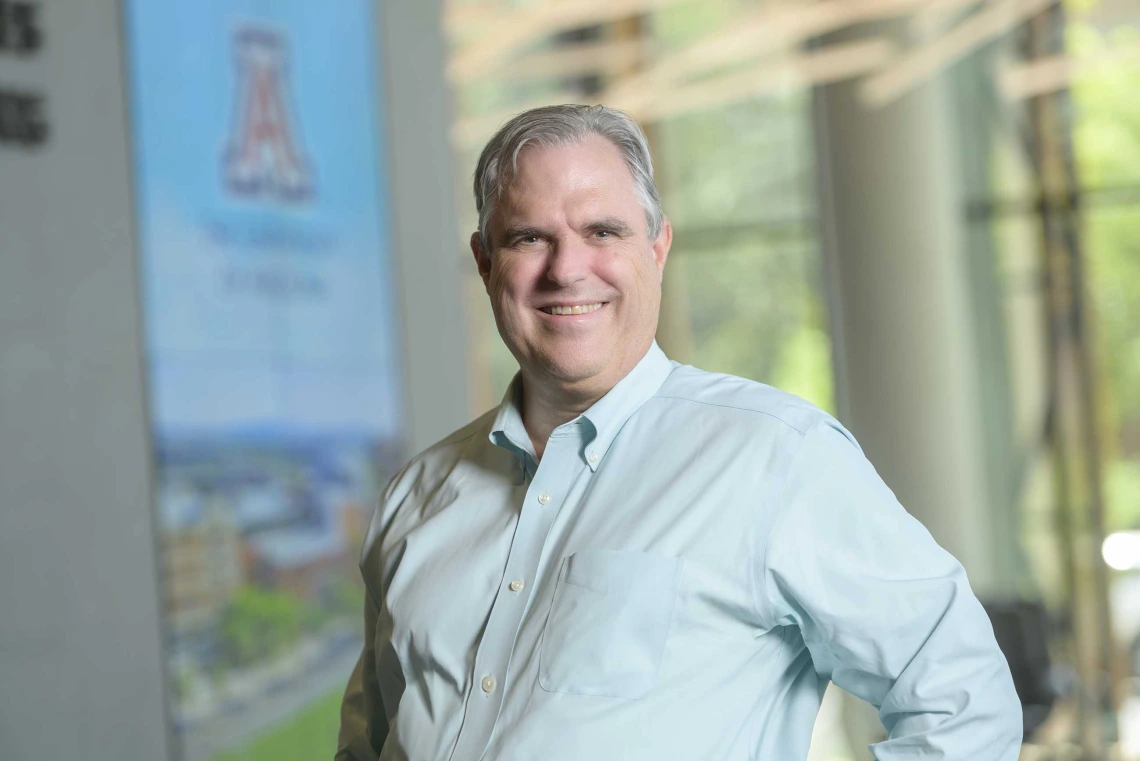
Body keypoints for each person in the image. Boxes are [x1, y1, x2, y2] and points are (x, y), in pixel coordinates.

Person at [336, 104, 1022, 761]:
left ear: (658, 247)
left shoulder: (776, 458)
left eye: (603, 231)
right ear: (486, 263)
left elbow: (961, 701)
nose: (567, 268)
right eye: (528, 237)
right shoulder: (416, 496)